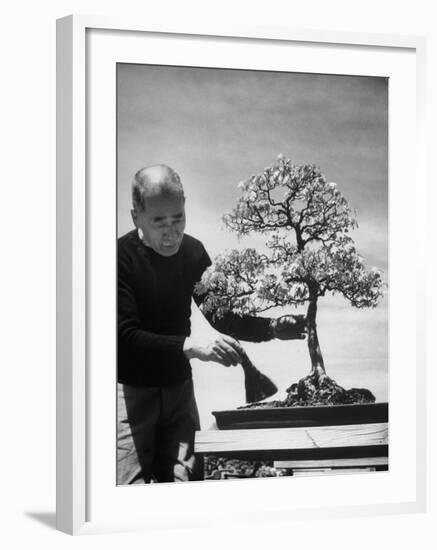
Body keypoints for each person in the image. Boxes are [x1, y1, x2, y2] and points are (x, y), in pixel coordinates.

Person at [117, 164, 306, 484]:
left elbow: (222, 315)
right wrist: (192, 347)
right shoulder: (120, 257)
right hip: (132, 394)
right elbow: (125, 335)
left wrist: (272, 327)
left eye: (178, 218)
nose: (171, 231)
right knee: (128, 489)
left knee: (185, 483)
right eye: (158, 221)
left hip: (179, 391)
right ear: (136, 216)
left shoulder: (192, 253)